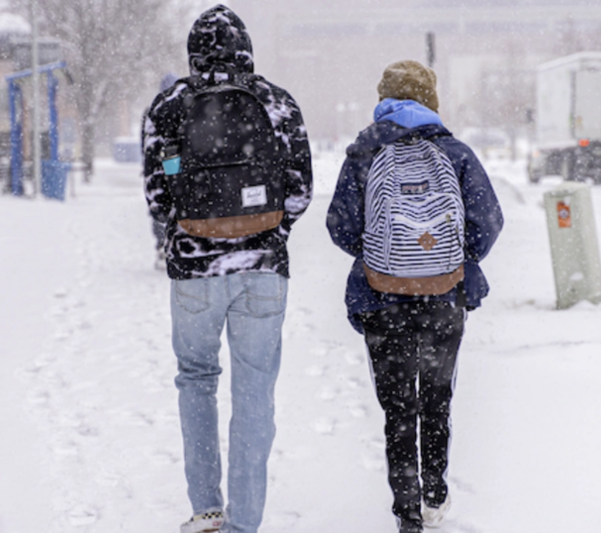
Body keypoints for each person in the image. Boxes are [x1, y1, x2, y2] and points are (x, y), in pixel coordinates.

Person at [142, 5, 312, 533]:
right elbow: (301, 191)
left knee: (196, 379)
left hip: (194, 270)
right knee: (254, 389)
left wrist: (187, 224)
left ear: (193, 52)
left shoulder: (168, 108)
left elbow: (157, 190)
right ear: (246, 49)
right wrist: (268, 230)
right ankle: (246, 521)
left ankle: (207, 507)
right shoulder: (276, 103)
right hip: (262, 267)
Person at [326, 60, 503, 533]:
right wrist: (452, 260)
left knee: (399, 407)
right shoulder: (456, 152)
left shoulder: (364, 153)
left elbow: (339, 226)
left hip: (383, 299)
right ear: (432, 100)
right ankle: (435, 493)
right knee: (437, 398)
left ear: (383, 98)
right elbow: (489, 222)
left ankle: (406, 512)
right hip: (445, 297)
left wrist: (380, 257)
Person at [142, 72, 178, 271]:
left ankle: (162, 243)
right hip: (174, 163)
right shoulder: (186, 105)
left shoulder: (153, 111)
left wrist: (148, 165)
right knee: (174, 199)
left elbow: (146, 144)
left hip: (160, 164)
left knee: (159, 204)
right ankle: (169, 242)